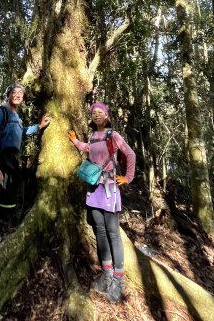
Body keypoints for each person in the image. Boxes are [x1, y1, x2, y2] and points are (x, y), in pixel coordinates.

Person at [68, 101, 135, 303]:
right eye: (94, 113)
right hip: (93, 189)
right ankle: (106, 274)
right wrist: (75, 142)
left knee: (113, 232)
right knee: (100, 230)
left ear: (106, 116)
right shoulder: (93, 135)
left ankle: (119, 279)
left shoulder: (112, 135)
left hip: (109, 189)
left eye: (100, 112)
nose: (97, 115)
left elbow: (130, 154)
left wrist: (128, 178)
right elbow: (89, 148)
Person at [0, 83, 51, 269]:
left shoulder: (17, 118)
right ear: (8, 95)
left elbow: (22, 132)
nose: (18, 95)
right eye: (14, 92)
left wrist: (39, 126)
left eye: (21, 93)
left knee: (6, 203)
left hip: (12, 163)